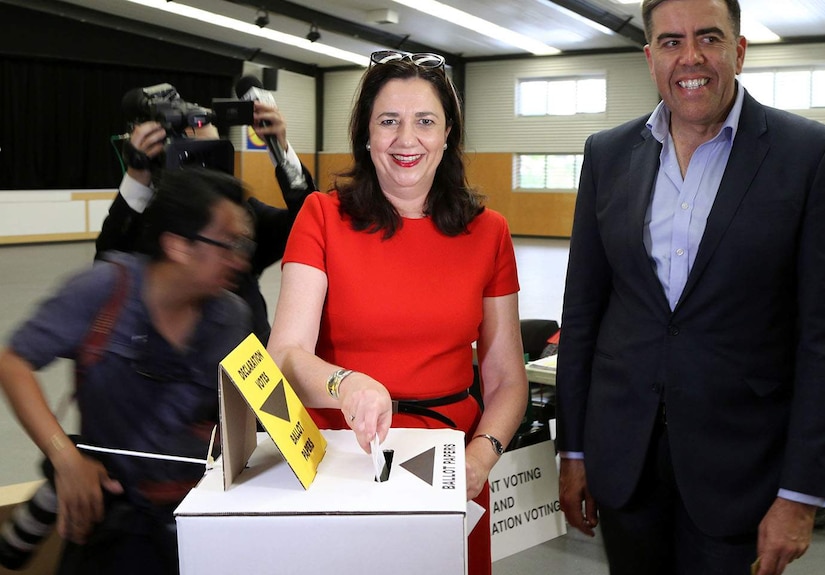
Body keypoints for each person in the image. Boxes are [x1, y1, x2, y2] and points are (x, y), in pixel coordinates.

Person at [554, 1, 825, 575]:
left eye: (709, 38)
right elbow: (585, 312)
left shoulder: (813, 156)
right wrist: (572, 451)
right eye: (671, 42)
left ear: (739, 51)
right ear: (650, 58)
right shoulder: (606, 155)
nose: (690, 57)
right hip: (625, 463)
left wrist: (802, 493)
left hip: (744, 473)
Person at [265, 50, 529, 575]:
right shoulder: (321, 216)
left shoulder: (489, 232)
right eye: (389, 121)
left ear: (448, 133)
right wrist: (348, 385)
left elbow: (506, 377)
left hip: (452, 463)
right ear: (366, 133)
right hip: (343, 454)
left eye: (425, 122)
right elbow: (286, 354)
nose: (407, 140)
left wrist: (481, 457)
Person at [0, 168, 254, 574]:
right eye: (227, 244)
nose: (240, 260)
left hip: (193, 523)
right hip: (112, 529)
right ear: (178, 246)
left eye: (243, 244)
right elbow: (13, 362)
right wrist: (65, 457)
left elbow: (246, 421)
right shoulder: (103, 290)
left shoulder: (232, 317)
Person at [96, 99, 315, 344]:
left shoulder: (243, 216)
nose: (206, 172)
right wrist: (137, 177)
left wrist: (281, 152)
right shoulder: (148, 220)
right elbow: (107, 261)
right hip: (169, 363)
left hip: (247, 361)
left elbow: (306, 221)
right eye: (193, 157)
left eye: (212, 155)